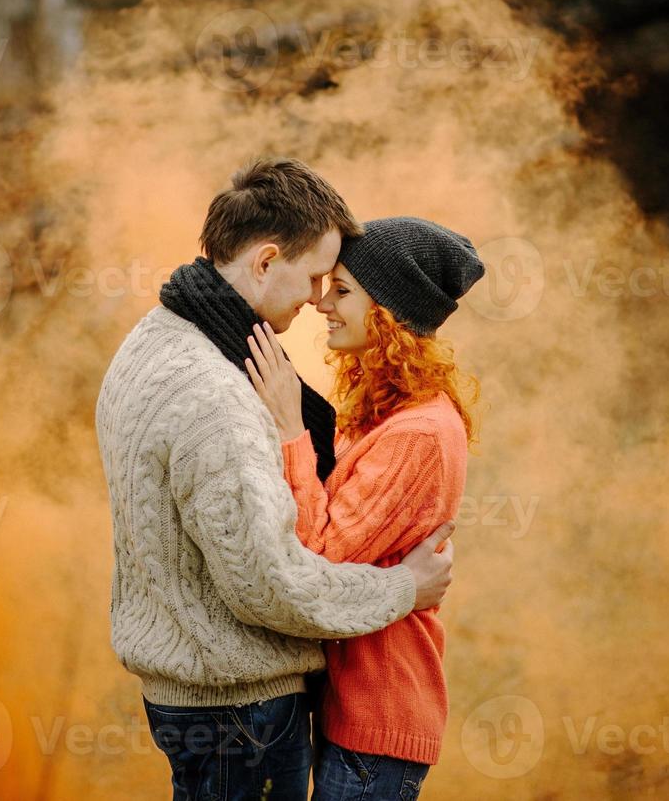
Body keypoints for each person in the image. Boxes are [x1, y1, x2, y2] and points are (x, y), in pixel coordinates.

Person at [95, 160, 458, 801]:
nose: (317, 299)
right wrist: (405, 587)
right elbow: (272, 585)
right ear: (265, 263)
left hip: (200, 697)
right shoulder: (217, 394)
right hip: (242, 708)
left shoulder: (149, 344)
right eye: (317, 277)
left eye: (336, 285)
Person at [245, 216, 484, 801]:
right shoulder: (390, 411)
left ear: (391, 312)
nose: (323, 303)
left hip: (378, 723)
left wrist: (290, 429)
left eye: (344, 290)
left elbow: (321, 551)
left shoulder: (419, 433)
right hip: (352, 711)